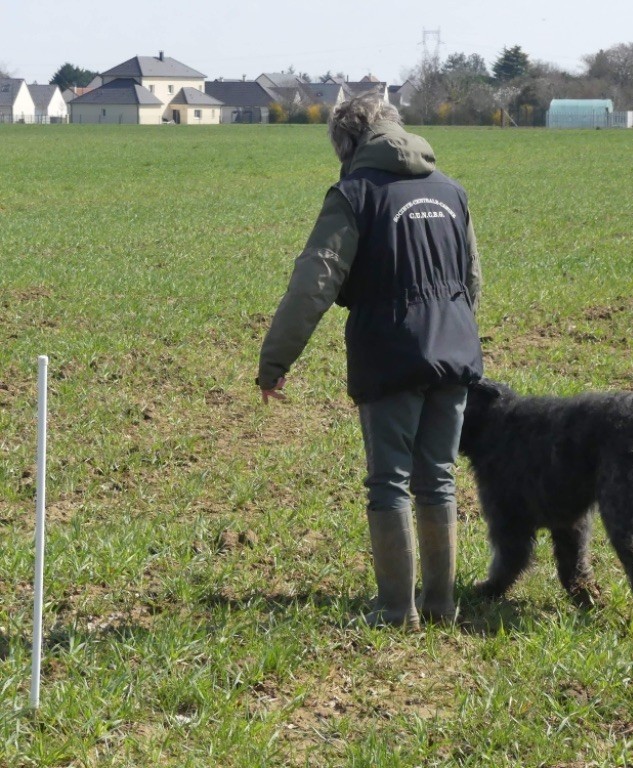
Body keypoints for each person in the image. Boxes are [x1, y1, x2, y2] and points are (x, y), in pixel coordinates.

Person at [257, 92, 483, 630]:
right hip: (455, 350)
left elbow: (313, 284)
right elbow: (472, 279)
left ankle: (396, 611)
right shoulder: (452, 191)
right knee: (439, 479)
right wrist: (449, 331)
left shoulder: (353, 194)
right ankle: (441, 605)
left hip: (389, 353)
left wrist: (275, 361)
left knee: (389, 482)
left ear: (348, 142)